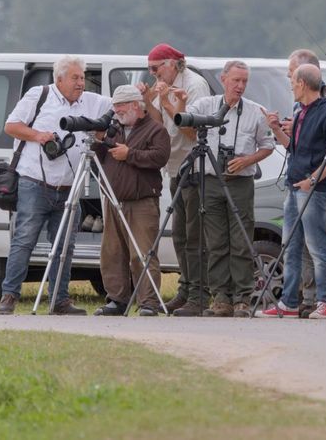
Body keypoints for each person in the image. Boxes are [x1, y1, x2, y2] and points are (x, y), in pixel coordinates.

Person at [0, 55, 112, 315]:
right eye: (75, 78)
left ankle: (59, 300)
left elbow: (119, 107)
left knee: (65, 246)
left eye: (82, 77)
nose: (81, 83)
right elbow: (11, 126)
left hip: (69, 188)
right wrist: (39, 135)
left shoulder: (92, 102)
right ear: (59, 78)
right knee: (24, 240)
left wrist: (139, 95)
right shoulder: (40, 95)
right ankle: (8, 296)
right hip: (34, 183)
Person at [186, 60, 274, 317]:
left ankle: (242, 298)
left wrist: (247, 160)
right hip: (211, 179)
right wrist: (174, 103)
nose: (240, 86)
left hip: (240, 182)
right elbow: (185, 123)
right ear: (224, 79)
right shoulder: (206, 105)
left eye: (244, 81)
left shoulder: (256, 111)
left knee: (241, 240)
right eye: (236, 80)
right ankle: (221, 297)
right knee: (216, 242)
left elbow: (267, 146)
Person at [257, 64, 326, 319]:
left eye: (293, 83)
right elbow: (293, 149)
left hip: (313, 189)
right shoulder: (300, 112)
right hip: (294, 186)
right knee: (290, 245)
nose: (291, 87)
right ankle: (289, 302)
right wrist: (275, 129)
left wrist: (313, 180)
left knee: (317, 246)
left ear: (303, 84)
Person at [137, 42, 210, 317]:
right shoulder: (164, 84)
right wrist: (148, 101)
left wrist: (167, 102)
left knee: (194, 235)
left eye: (155, 68)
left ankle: (199, 295)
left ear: (171, 63)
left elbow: (193, 132)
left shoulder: (193, 85)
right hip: (175, 167)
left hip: (194, 166)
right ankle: (185, 289)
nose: (153, 74)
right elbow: (158, 122)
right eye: (150, 70)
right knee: (180, 235)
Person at [93, 85, 171, 317]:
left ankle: (148, 302)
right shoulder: (113, 130)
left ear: (136, 105)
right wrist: (98, 141)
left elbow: (160, 157)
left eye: (121, 105)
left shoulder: (156, 130)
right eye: (115, 106)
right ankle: (117, 300)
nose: (116, 110)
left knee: (142, 253)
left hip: (142, 201)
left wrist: (130, 155)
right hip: (114, 200)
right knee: (112, 252)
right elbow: (99, 159)